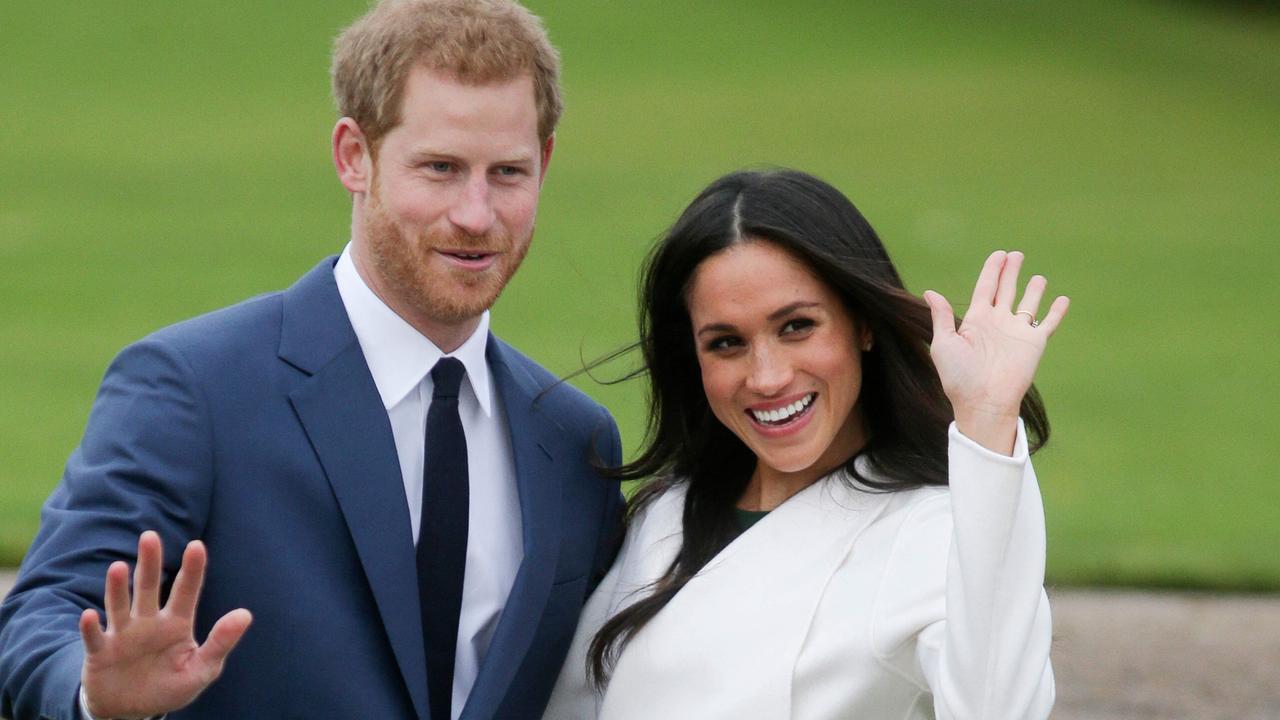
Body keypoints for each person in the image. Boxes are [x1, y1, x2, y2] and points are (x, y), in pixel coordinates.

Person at [0, 1, 623, 719]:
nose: (477, 215)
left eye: (507, 173)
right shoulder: (195, 389)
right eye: (441, 168)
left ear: (545, 161)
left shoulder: (576, 443)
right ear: (353, 156)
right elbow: (43, 613)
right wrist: (90, 695)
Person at [543, 169, 1067, 719]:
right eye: (726, 343)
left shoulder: (930, 531)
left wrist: (987, 422)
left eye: (796, 327)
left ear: (861, 323)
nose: (767, 377)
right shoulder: (667, 511)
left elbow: (1000, 708)